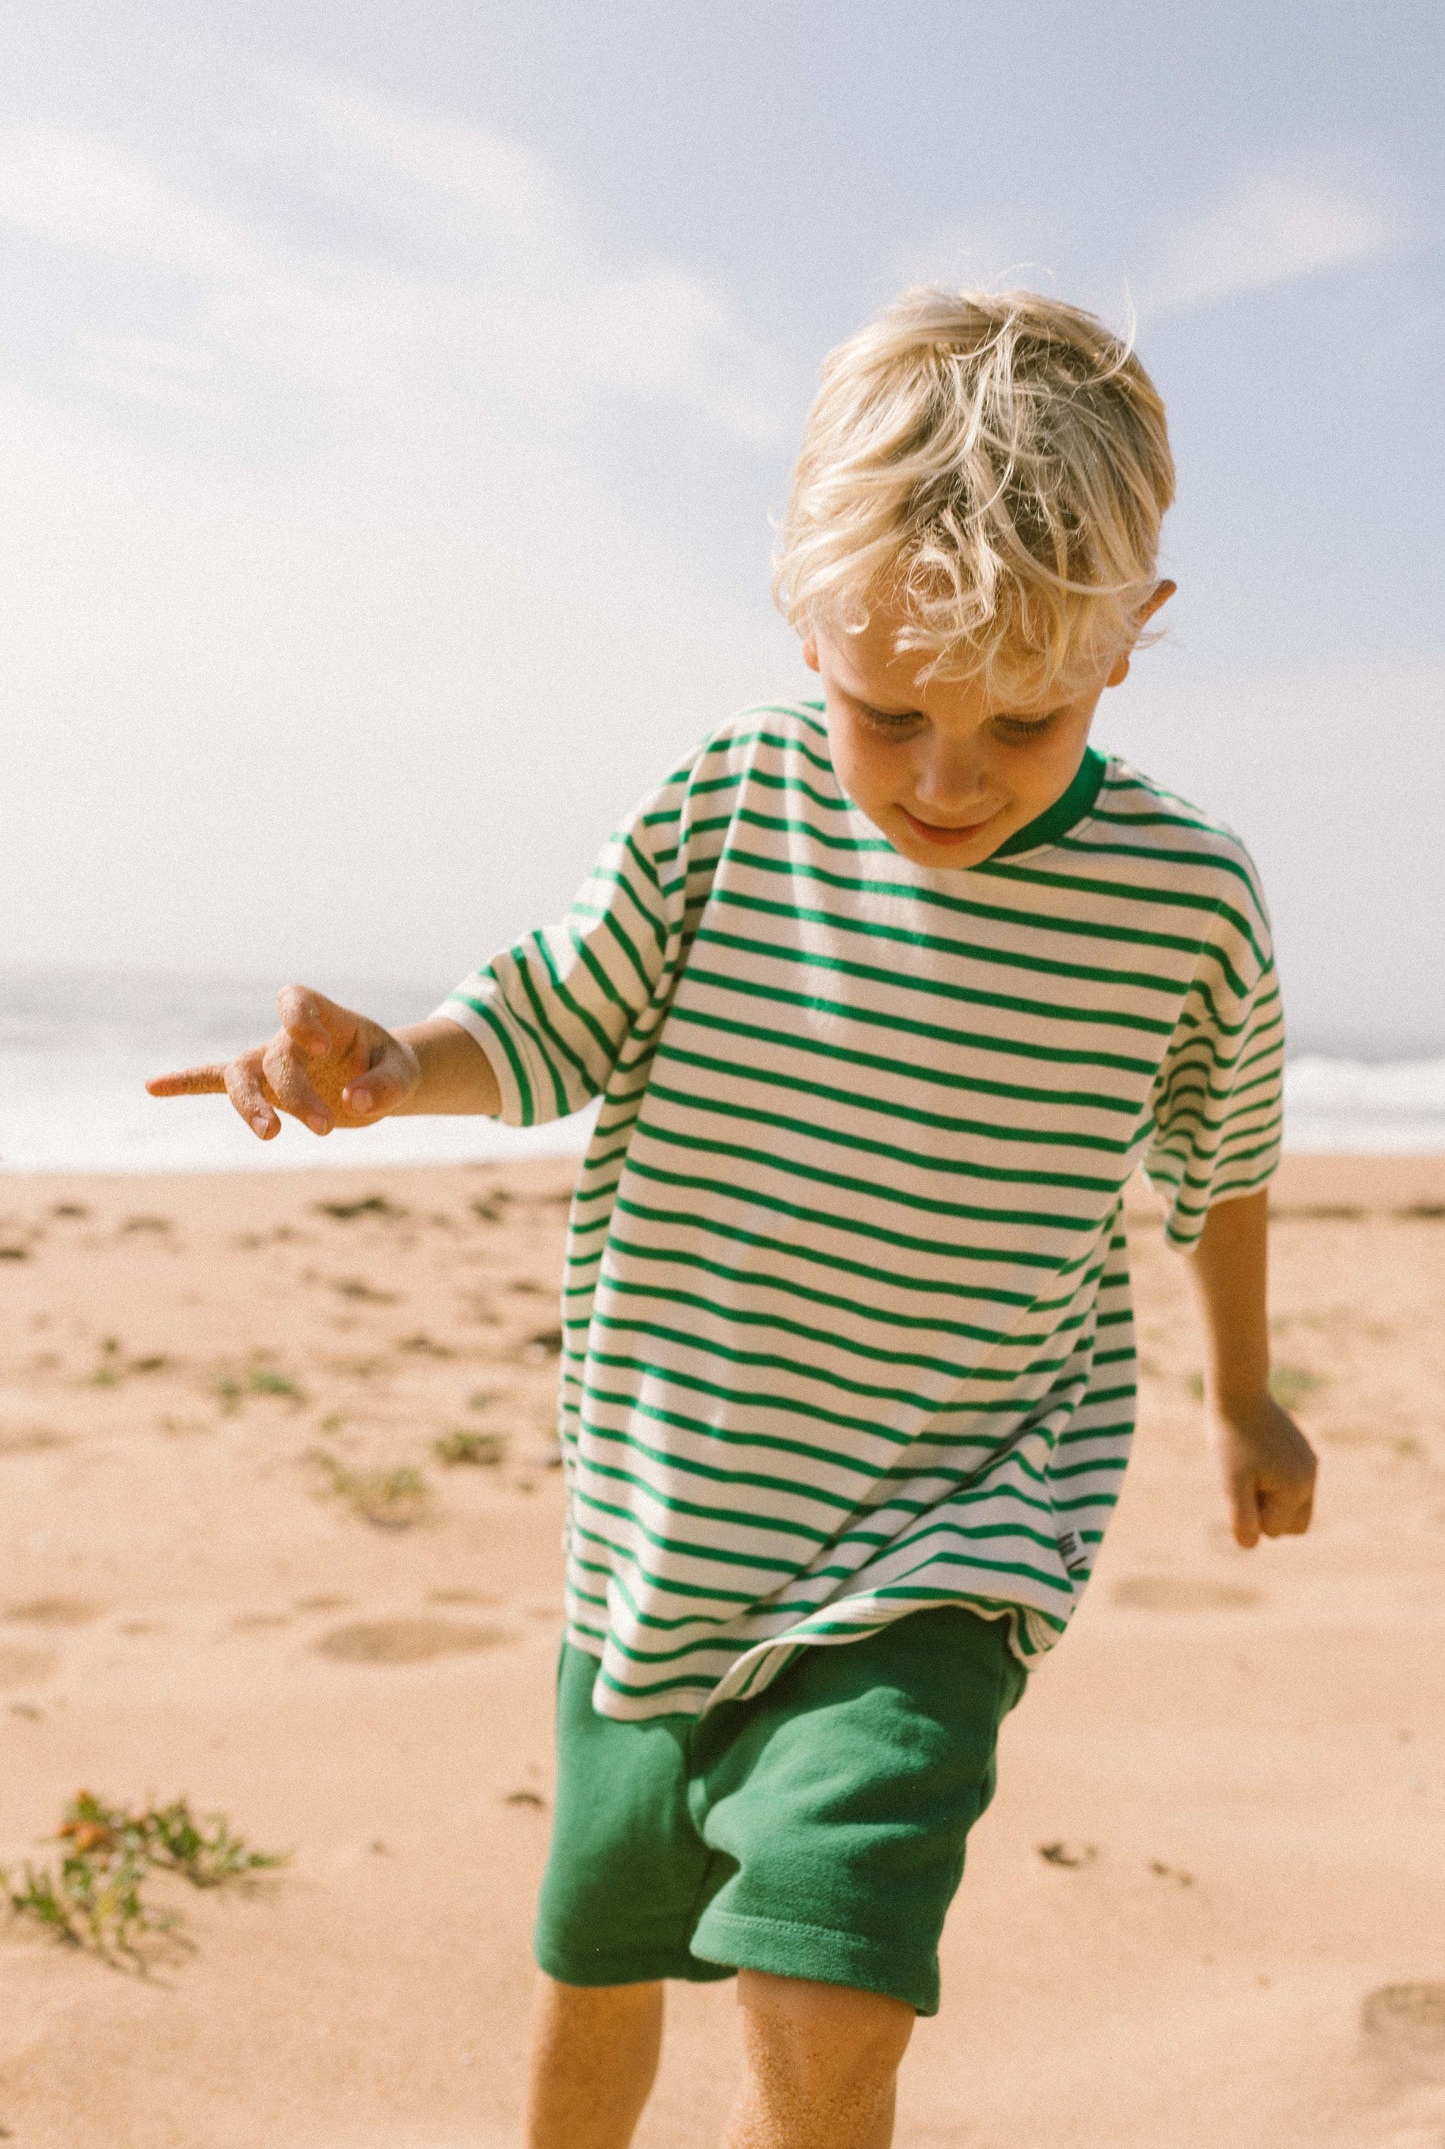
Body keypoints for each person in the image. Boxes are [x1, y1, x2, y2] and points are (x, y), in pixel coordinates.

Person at [149, 289, 1318, 2149]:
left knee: (830, 1954)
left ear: (1130, 639)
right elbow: (552, 1014)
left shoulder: (1184, 903)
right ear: (801, 617)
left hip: (953, 1514)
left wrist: (1237, 1392)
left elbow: (1222, 1153)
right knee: (596, 1956)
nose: (945, 778)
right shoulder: (733, 803)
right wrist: (393, 1067)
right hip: (668, 1520)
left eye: (1022, 718)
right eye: (887, 711)